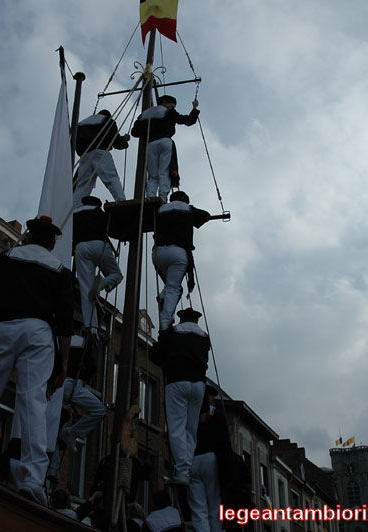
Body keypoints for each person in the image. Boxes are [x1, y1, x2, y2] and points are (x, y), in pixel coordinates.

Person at [0, 216, 75, 506]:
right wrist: (64, 363)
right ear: (53, 242)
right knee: (32, 402)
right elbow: (66, 327)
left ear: (29, 235)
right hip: (38, 332)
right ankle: (33, 479)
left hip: (4, 328)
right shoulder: (60, 270)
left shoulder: (3, 257)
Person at [151, 307, 210, 486]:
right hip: (198, 385)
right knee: (190, 429)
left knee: (176, 427)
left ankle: (182, 470)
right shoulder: (204, 337)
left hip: (177, 381)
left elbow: (157, 354)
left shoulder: (174, 332)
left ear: (181, 319)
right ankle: (189, 468)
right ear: (197, 320)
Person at [152, 191, 211, 332]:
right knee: (174, 287)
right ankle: (165, 323)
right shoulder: (187, 208)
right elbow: (206, 216)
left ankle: (163, 296)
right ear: (186, 201)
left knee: (170, 284)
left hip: (158, 252)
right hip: (178, 253)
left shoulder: (160, 209)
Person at [131, 95, 199, 200]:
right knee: (164, 172)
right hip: (165, 141)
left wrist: (148, 130)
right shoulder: (169, 112)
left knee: (153, 175)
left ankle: (150, 197)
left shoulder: (144, 115)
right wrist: (194, 108)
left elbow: (134, 132)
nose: (173, 108)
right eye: (172, 105)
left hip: (151, 144)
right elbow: (188, 121)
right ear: (165, 103)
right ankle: (162, 197)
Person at [73, 195, 123, 335]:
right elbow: (113, 230)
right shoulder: (100, 213)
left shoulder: (75, 215)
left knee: (85, 288)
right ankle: (102, 283)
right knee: (116, 275)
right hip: (99, 245)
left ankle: (92, 326)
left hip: (81, 247)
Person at [187, 385, 231, 532]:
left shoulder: (190, 415)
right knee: (214, 504)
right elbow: (224, 442)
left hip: (192, 460)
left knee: (198, 507)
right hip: (210, 459)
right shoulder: (217, 416)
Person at [74, 109, 130, 204]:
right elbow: (116, 142)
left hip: (85, 155)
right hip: (101, 152)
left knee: (83, 184)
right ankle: (121, 200)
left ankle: (75, 207)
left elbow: (75, 142)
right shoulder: (108, 121)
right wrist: (124, 141)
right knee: (111, 177)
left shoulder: (81, 124)